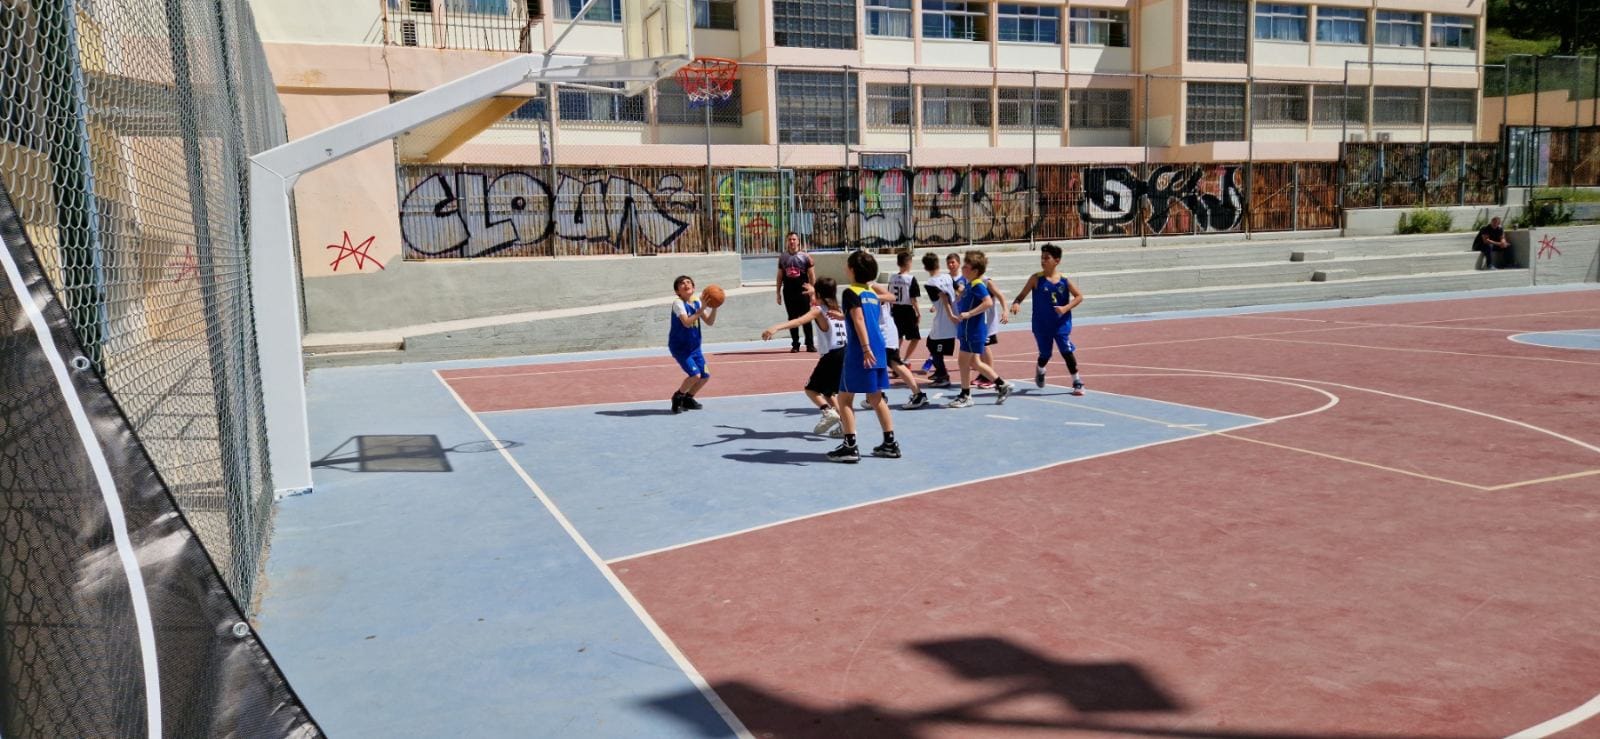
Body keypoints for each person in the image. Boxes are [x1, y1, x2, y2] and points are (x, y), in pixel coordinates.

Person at [831, 251, 900, 463]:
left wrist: (865, 347)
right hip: (879, 345)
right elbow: (863, 317)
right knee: (875, 397)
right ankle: (890, 443)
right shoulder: (871, 293)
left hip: (862, 349)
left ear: (851, 270)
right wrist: (844, 317)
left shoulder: (850, 292)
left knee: (844, 398)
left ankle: (850, 446)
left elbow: (859, 319)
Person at [762, 279, 848, 435]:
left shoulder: (818, 310)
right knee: (829, 393)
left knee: (811, 389)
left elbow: (799, 321)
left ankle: (827, 412)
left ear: (820, 294)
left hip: (832, 355)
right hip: (845, 354)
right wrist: (813, 294)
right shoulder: (839, 310)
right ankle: (845, 427)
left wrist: (776, 327)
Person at [1009, 243, 1085, 396]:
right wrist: (1016, 303)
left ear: (1057, 261)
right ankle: (1041, 369)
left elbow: (1079, 297)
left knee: (1066, 350)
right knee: (1045, 354)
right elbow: (1021, 295)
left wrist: (1065, 308)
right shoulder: (1036, 279)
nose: (1043, 261)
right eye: (1042, 258)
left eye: (1046, 258)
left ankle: (1077, 381)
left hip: (1060, 323)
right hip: (1041, 324)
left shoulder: (1064, 280)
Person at [945, 251, 1012, 408]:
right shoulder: (969, 285)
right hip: (967, 329)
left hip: (973, 329)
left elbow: (988, 302)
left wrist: (969, 313)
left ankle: (965, 395)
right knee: (974, 362)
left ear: (975, 271)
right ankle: (1002, 385)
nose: (963, 268)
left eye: (966, 266)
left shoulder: (978, 284)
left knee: (963, 361)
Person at [871, 281, 929, 410]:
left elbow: (891, 297)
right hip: (879, 333)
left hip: (885, 333)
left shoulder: (871, 287)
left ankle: (918, 394)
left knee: (894, 363)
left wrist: (873, 297)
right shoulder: (862, 289)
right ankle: (878, 395)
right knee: (877, 364)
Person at [668, 275, 717, 413]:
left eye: (688, 282)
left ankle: (688, 398)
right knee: (695, 375)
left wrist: (714, 307)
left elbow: (709, 322)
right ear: (677, 291)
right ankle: (677, 396)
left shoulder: (696, 302)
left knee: (705, 376)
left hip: (695, 348)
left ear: (693, 287)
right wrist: (701, 311)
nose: (686, 284)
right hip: (680, 348)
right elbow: (686, 322)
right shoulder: (678, 303)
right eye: (682, 284)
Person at [775, 231, 817, 352]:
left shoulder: (806, 257)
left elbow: (812, 275)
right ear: (787, 242)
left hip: (803, 291)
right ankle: (795, 344)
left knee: (806, 317)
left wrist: (812, 290)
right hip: (788, 291)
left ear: (798, 241)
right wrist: (778, 293)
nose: (792, 242)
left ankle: (809, 344)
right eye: (790, 239)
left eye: (794, 239)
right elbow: (779, 276)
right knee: (792, 318)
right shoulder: (783, 257)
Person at [921, 252, 956, 387]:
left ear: (925, 267)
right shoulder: (947, 276)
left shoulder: (930, 283)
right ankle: (939, 371)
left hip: (945, 320)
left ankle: (943, 375)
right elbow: (959, 290)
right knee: (930, 342)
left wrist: (951, 314)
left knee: (935, 348)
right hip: (947, 317)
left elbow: (944, 297)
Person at [887, 250, 922, 367]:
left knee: (898, 337)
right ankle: (906, 359)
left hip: (895, 309)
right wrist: (918, 313)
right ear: (909, 263)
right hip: (907, 310)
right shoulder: (910, 279)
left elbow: (889, 295)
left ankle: (895, 359)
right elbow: (913, 299)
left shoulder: (892, 278)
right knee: (915, 337)